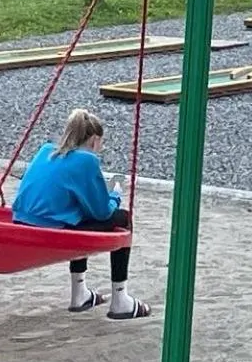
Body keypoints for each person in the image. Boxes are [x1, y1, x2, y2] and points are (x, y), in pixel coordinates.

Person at [12, 108, 150, 318]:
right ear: (94, 140)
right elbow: (102, 213)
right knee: (123, 218)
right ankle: (120, 300)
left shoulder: (46, 150)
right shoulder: (87, 160)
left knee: (79, 216)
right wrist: (114, 194)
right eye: (100, 143)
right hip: (51, 228)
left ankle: (80, 293)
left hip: (23, 220)